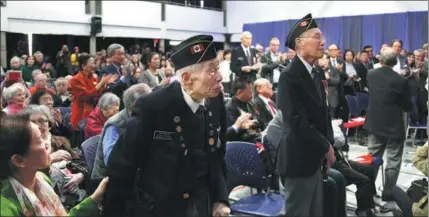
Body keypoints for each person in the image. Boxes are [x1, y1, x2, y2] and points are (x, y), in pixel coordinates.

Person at [103, 35, 230, 217]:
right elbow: (121, 166)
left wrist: (220, 198)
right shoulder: (154, 106)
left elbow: (217, 155)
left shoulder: (215, 99)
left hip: (203, 200)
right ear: (186, 78)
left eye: (218, 68)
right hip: (163, 206)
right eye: (211, 71)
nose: (220, 77)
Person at [276, 13, 335, 217]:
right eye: (317, 37)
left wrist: (328, 143)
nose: (322, 42)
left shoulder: (316, 72)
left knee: (315, 211)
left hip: (315, 156)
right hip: (298, 160)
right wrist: (325, 146)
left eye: (322, 37)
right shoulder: (289, 76)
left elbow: (322, 113)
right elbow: (297, 121)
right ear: (300, 43)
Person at [0, 114, 109, 216]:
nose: (47, 143)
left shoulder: (40, 179)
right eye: (39, 140)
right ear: (19, 160)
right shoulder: (7, 208)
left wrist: (95, 198)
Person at [364, 47, 412, 201]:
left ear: (380, 60)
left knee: (372, 158)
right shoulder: (401, 80)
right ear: (396, 61)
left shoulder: (371, 74)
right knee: (394, 159)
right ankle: (388, 192)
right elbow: (407, 106)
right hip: (394, 125)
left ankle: (368, 190)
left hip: (375, 123)